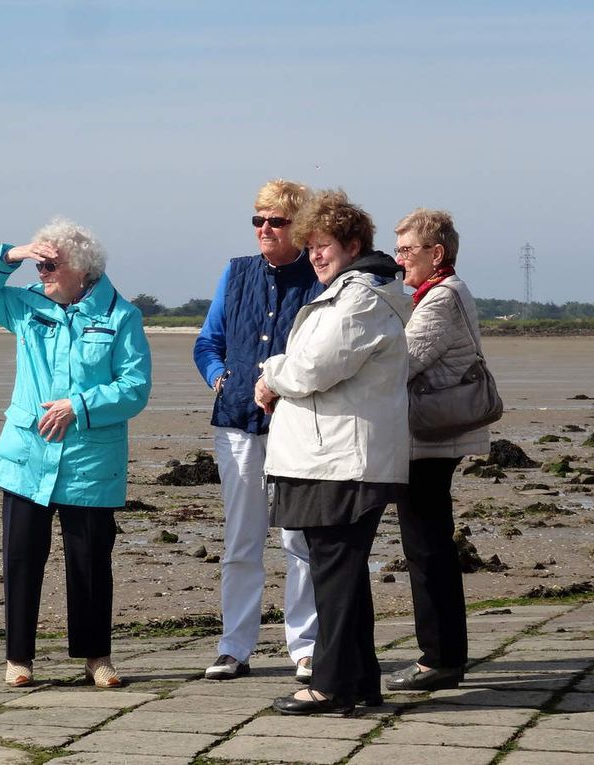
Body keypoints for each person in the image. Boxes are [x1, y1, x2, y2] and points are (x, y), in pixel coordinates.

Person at [0, 217, 151, 689]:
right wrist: (12, 254)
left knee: (90, 563)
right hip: (27, 457)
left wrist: (79, 406)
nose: (42, 272)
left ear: (82, 268)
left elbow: (135, 388)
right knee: (21, 558)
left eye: (50, 264)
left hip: (90, 461)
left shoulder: (121, 316)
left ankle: (96, 658)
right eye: (39, 264)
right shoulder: (25, 307)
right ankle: (18, 659)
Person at [254, 189, 411, 714]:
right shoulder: (354, 291)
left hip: (342, 458)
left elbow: (313, 368)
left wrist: (270, 373)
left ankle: (331, 683)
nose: (316, 255)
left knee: (336, 571)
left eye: (324, 245)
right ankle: (360, 680)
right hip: (332, 454)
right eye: (311, 247)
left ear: (353, 243)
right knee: (337, 570)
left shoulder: (361, 296)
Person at [193, 179, 321, 681]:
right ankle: (234, 647)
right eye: (258, 219)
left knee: (299, 540)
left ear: (300, 228)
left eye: (276, 221)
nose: (264, 228)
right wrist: (220, 379)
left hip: (298, 426)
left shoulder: (318, 277)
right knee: (240, 541)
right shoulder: (237, 272)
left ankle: (305, 647)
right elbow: (208, 342)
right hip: (237, 426)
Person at [385, 208, 489, 692]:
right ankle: (443, 653)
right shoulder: (443, 292)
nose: (399, 258)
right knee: (431, 545)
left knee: (426, 547)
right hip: (436, 435)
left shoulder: (440, 299)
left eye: (407, 250)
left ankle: (439, 658)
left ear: (437, 253)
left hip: (431, 437)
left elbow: (402, 364)